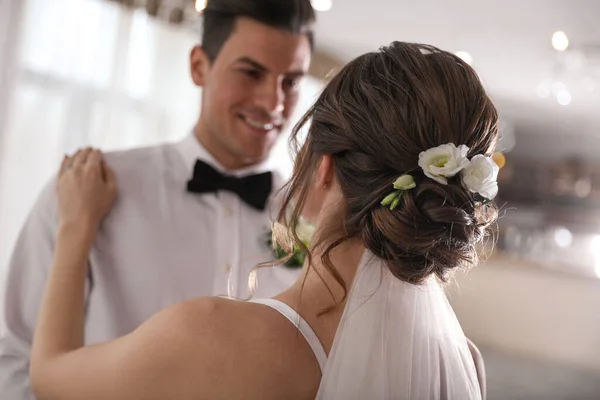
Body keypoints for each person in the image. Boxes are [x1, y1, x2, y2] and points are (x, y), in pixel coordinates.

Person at [29, 41, 499, 399]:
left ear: (325, 166)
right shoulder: (461, 364)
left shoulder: (209, 337)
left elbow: (49, 374)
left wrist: (75, 228)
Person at [0, 0, 315, 398]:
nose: (273, 103)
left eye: (290, 81)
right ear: (199, 65)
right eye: (251, 72)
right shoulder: (90, 188)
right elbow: (18, 357)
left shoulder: (312, 218)